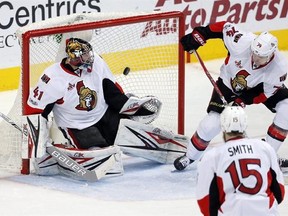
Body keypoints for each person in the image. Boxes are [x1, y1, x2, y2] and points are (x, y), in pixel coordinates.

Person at [27, 37, 187, 181]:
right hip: (77, 126)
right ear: (73, 59)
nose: (90, 57)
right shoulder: (53, 78)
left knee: (132, 134)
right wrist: (38, 145)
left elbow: (112, 91)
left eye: (89, 53)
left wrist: (133, 109)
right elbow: (35, 111)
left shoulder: (96, 61)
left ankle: (168, 145)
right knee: (103, 155)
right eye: (85, 56)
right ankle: (61, 156)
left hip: (105, 115)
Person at [174, 21, 288, 171]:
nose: (254, 58)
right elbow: (222, 27)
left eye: (260, 57)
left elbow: (263, 94)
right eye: (254, 53)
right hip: (228, 84)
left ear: (271, 55)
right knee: (211, 125)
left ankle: (267, 156)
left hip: (258, 88)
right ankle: (189, 157)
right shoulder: (242, 41)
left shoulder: (279, 69)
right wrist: (200, 35)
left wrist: (242, 101)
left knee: (286, 110)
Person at [196, 106, 285, 216]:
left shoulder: (212, 156)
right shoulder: (265, 148)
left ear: (223, 126)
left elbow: (205, 202)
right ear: (245, 123)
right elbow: (280, 193)